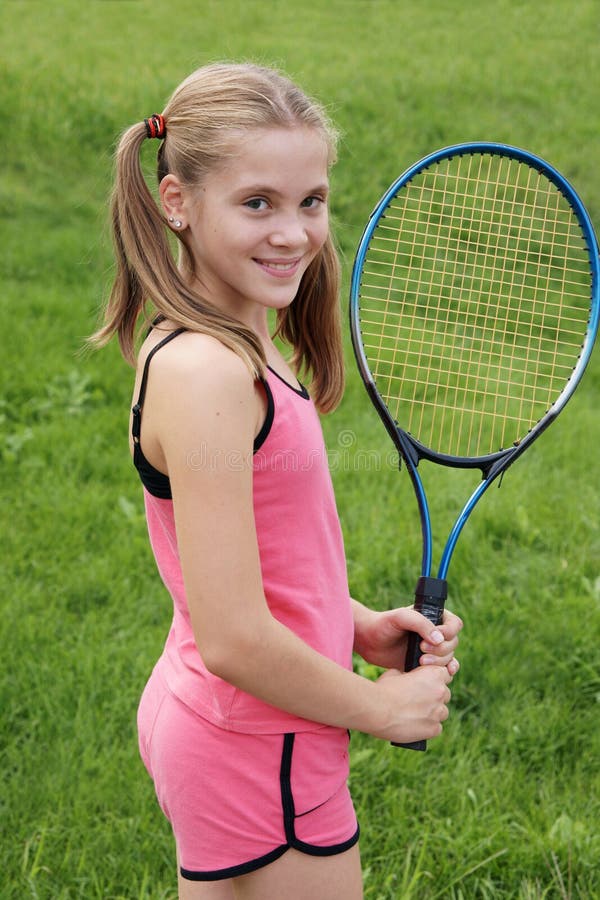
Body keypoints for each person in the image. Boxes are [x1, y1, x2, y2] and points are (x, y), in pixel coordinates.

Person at [92, 62, 462, 900]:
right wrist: (382, 709)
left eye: (311, 202)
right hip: (261, 739)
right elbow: (232, 636)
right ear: (178, 202)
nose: (293, 233)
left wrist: (356, 625)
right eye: (257, 202)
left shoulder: (236, 345)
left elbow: (261, 562)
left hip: (228, 721)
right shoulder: (207, 374)